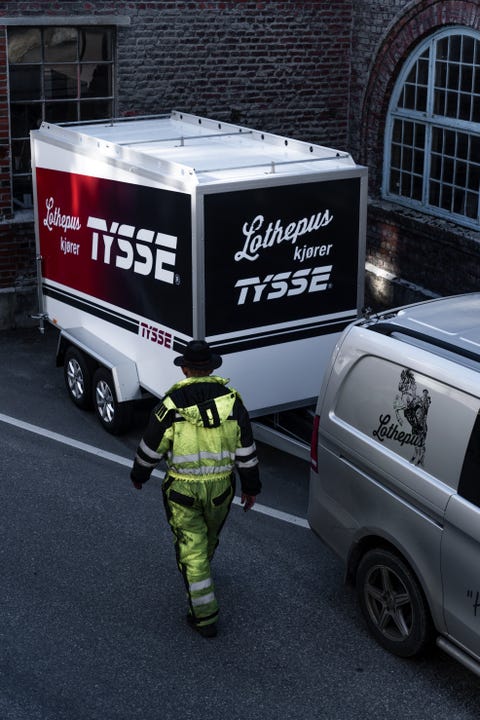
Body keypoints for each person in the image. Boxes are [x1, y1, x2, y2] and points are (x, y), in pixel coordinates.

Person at [130, 340, 261, 638]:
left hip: (182, 492)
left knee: (191, 550)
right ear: (212, 368)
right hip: (222, 490)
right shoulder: (234, 403)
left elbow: (151, 446)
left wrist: (139, 474)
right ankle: (201, 569)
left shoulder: (169, 406)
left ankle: (204, 616)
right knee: (209, 538)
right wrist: (251, 487)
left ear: (185, 369)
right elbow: (246, 451)